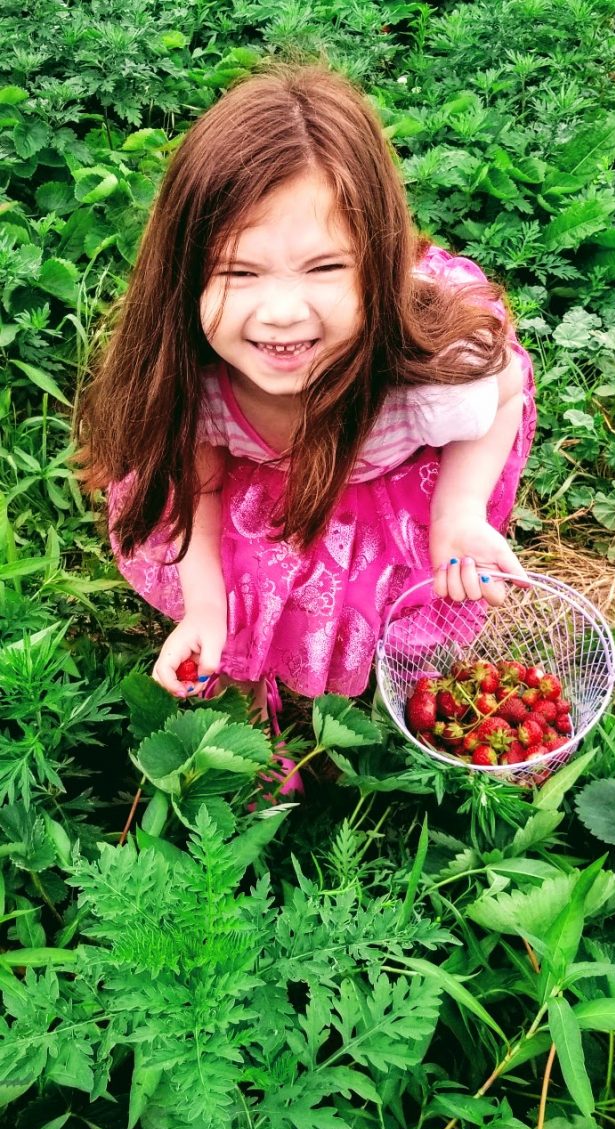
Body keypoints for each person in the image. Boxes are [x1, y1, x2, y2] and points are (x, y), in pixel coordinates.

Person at [74, 65, 537, 744]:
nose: (283, 313)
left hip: (378, 477)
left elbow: (506, 395)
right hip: (253, 483)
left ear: (377, 263)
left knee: (362, 594)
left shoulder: (429, 376)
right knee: (244, 587)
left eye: (325, 267)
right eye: (238, 271)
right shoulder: (195, 380)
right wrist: (204, 608)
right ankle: (241, 696)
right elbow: (195, 488)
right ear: (184, 275)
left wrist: (457, 511)